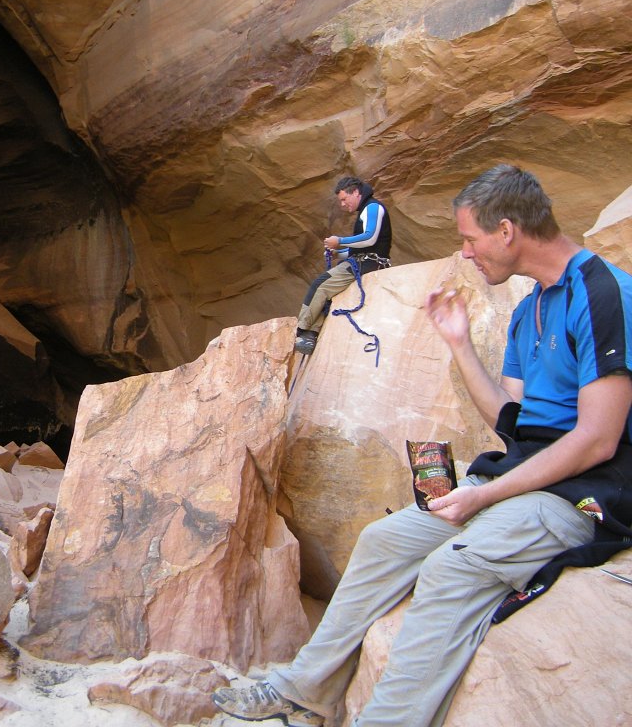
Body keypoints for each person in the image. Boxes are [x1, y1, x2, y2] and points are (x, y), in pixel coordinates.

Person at [213, 164, 632, 726]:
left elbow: (598, 440)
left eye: (469, 238)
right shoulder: (530, 307)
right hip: (523, 474)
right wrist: (458, 344)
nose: (464, 253)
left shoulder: (605, 294)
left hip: (581, 494)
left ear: (507, 231)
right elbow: (515, 421)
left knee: (452, 570)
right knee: (385, 539)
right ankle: (304, 689)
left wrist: (484, 497)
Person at [294, 177, 392, 355]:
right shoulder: (366, 209)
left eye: (344, 199)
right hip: (364, 260)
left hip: (369, 263)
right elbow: (362, 247)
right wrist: (337, 254)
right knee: (326, 289)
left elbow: (370, 238)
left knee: (321, 285)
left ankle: (303, 330)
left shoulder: (372, 207)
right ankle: (311, 333)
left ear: (355, 193)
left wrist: (339, 241)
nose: (342, 205)